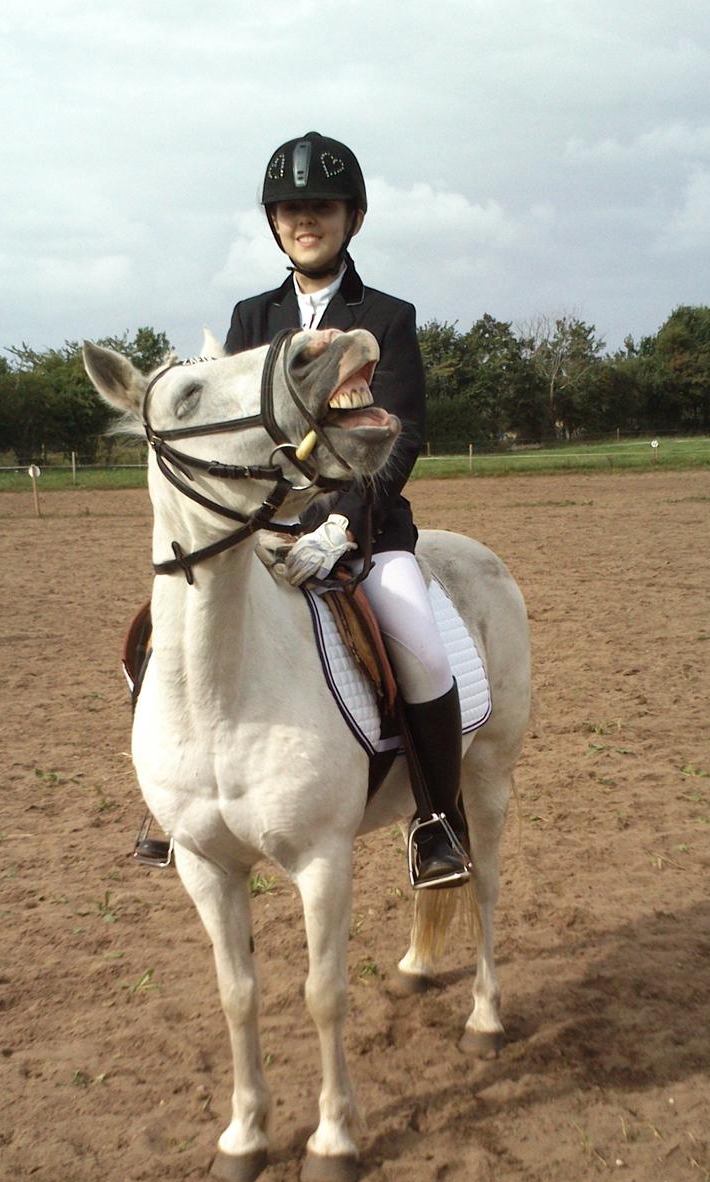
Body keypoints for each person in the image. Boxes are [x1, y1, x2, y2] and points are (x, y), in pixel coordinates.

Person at [138, 131, 471, 889]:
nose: (304, 220)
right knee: (167, 630)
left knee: (416, 636)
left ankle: (436, 819)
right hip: (264, 532)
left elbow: (401, 433)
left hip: (362, 532)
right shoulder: (251, 317)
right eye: (290, 209)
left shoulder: (386, 315)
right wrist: (265, 523)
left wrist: (341, 524)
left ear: (351, 217)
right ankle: (176, 802)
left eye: (319, 206)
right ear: (274, 222)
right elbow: (233, 436)